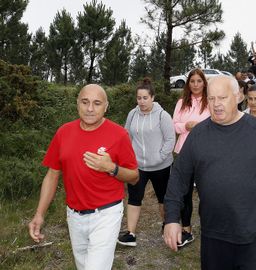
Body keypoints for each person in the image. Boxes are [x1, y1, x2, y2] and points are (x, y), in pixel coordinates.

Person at [163, 76, 256, 270]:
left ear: (238, 96)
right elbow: (178, 178)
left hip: (255, 234)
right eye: (212, 98)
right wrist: (172, 219)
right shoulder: (198, 135)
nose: (216, 105)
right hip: (214, 234)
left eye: (222, 98)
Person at [28, 84, 139, 270]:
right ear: (77, 103)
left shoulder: (119, 134)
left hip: (106, 214)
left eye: (96, 103)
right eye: (85, 102)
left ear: (106, 106)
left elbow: (134, 177)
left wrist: (111, 167)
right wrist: (39, 214)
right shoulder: (63, 132)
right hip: (74, 216)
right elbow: (52, 175)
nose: (89, 108)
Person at [118, 78, 176, 247]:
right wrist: (129, 158)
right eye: (139, 98)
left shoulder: (162, 115)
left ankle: (167, 226)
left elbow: (170, 139)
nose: (142, 101)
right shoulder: (132, 114)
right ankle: (130, 234)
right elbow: (126, 136)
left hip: (161, 166)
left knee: (163, 199)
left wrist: (159, 157)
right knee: (134, 198)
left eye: (145, 98)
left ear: (152, 97)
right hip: (138, 167)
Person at [172, 68, 210, 247]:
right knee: (185, 193)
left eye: (199, 81)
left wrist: (201, 128)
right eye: (192, 81)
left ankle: (210, 227)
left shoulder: (210, 101)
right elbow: (175, 125)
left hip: (205, 153)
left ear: (204, 83)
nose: (195, 85)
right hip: (184, 152)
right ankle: (187, 230)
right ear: (188, 84)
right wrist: (186, 125)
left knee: (207, 192)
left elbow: (216, 124)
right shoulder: (181, 102)